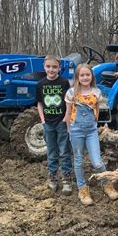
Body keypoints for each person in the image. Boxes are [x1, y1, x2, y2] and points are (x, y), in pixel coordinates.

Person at [64, 64, 118, 205]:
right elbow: (68, 113)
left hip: (91, 131)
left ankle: (105, 183)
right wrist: (69, 130)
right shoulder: (71, 93)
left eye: (87, 75)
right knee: (79, 160)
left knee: (97, 161)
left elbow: (96, 109)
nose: (85, 77)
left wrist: (96, 126)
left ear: (92, 76)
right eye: (82, 75)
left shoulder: (96, 92)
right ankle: (82, 189)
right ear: (77, 77)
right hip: (76, 131)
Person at [36, 55, 72, 195]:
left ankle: (67, 179)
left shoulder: (64, 83)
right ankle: (52, 177)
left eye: (54, 67)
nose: (51, 69)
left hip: (61, 122)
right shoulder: (40, 84)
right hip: (48, 123)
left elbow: (68, 102)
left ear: (59, 68)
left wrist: (65, 118)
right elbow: (39, 103)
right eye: (48, 66)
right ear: (44, 67)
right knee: (51, 152)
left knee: (64, 151)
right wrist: (43, 120)